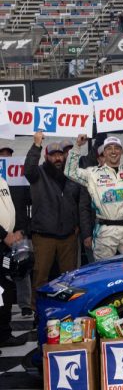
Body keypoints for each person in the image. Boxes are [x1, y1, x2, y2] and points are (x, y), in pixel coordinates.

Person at [65, 131, 123, 260]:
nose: (113, 151)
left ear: (122, 151)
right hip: (105, 231)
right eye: (109, 148)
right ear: (104, 153)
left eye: (116, 148)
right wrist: (77, 146)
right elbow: (70, 171)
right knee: (102, 270)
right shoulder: (93, 174)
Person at [25, 135, 84, 309]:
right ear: (46, 156)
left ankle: (68, 310)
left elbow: (79, 202)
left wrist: (77, 224)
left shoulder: (70, 174)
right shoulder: (38, 174)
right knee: (40, 276)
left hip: (68, 236)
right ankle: (38, 311)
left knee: (69, 277)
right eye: (53, 155)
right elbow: (28, 169)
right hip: (43, 236)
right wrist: (36, 145)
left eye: (60, 155)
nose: (58, 158)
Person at [0, 146, 32, 317]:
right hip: (2, 237)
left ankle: (25, 304)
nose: (6, 158)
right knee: (3, 274)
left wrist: (24, 230)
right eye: (2, 156)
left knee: (22, 267)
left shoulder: (20, 181)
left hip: (19, 233)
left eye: (9, 156)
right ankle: (4, 307)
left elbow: (31, 205)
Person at [0, 175, 26, 348]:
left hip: (5, 245)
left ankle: (4, 333)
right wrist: (4, 235)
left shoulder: (2, 180)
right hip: (2, 240)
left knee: (6, 289)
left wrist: (17, 231)